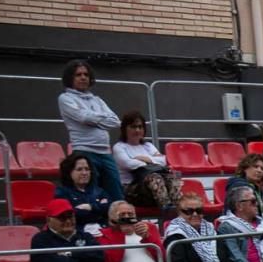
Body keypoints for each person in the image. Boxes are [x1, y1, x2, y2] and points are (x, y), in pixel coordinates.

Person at [57, 59, 124, 202]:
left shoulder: (97, 100)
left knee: (116, 192)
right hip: (84, 152)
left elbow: (115, 121)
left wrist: (92, 119)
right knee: (91, 194)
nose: (83, 77)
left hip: (105, 153)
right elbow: (82, 117)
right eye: (78, 75)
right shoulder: (65, 98)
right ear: (70, 78)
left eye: (86, 75)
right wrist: (101, 119)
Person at [112, 111, 182, 209]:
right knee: (154, 177)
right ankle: (167, 208)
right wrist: (152, 161)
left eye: (140, 127)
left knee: (173, 176)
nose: (137, 130)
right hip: (132, 191)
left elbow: (163, 160)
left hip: (152, 190)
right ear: (124, 129)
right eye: (133, 127)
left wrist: (146, 159)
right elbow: (129, 164)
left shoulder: (148, 146)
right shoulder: (119, 147)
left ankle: (179, 208)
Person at [54, 153, 111, 237]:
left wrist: (90, 207)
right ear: (69, 172)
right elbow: (70, 215)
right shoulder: (61, 192)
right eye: (79, 169)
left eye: (87, 169)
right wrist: (99, 209)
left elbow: (109, 209)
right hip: (77, 235)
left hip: (103, 232)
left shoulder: (99, 191)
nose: (84, 173)